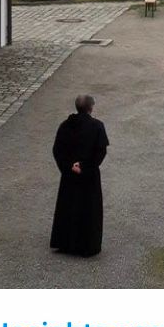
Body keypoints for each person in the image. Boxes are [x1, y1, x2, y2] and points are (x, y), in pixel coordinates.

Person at [50, 94, 109, 257]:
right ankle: (86, 245)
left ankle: (65, 242)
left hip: (69, 176)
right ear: (91, 108)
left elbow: (57, 150)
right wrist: (84, 167)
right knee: (88, 208)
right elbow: (100, 152)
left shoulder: (64, 126)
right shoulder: (97, 126)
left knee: (68, 206)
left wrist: (69, 166)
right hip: (88, 176)